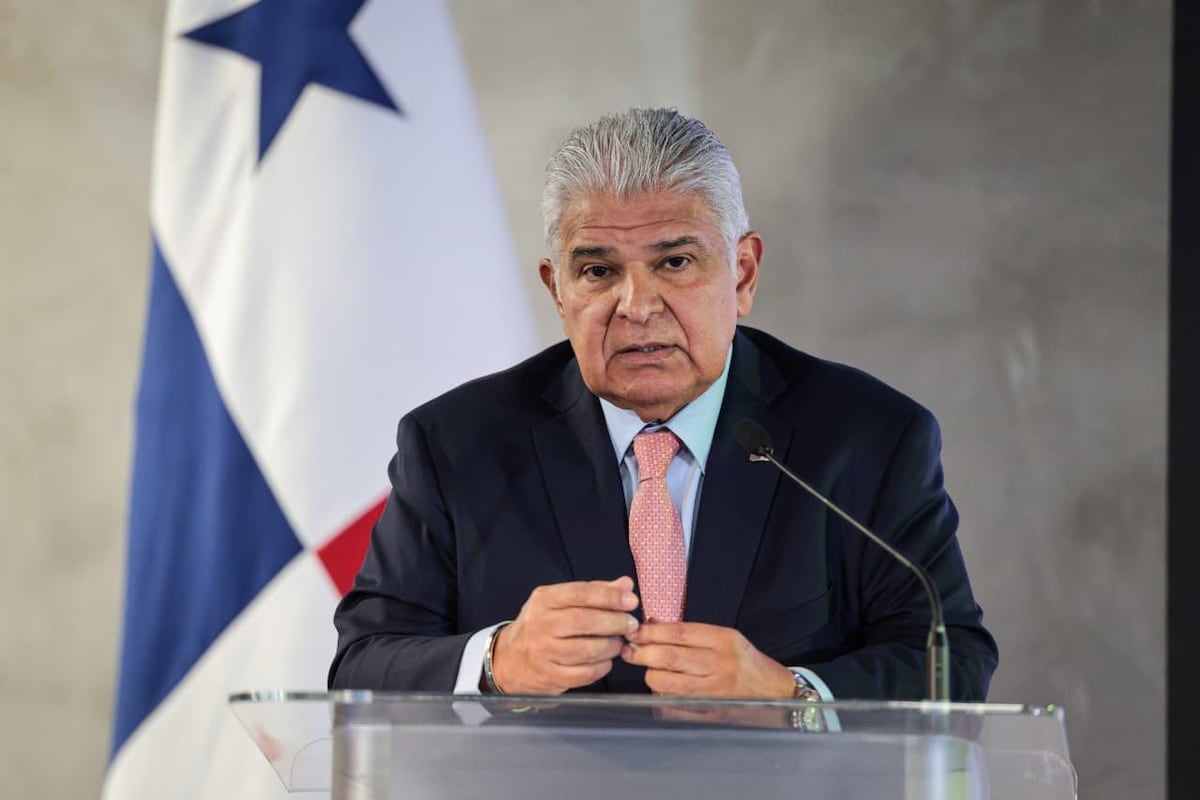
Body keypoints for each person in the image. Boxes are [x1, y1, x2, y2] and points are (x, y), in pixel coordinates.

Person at [329, 108, 998, 701]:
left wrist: (789, 695)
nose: (637, 305)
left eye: (674, 263)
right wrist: (498, 662)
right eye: (598, 271)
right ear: (557, 290)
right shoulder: (457, 444)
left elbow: (952, 662)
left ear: (742, 274)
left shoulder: (867, 437)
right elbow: (362, 666)